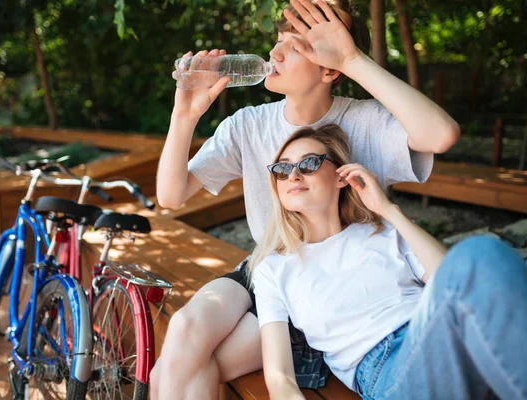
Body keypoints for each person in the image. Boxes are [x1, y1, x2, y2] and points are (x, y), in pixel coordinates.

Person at [153, 0, 460, 398]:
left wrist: (353, 58)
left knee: (178, 370)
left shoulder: (363, 120)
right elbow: (170, 195)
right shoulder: (250, 124)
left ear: (331, 69)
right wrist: (184, 116)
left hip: (327, 284)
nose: (275, 53)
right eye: (278, 41)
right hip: (269, 263)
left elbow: (441, 135)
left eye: (295, 46)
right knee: (184, 329)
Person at [251, 124, 527, 399]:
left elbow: (452, 281)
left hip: (444, 329)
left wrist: (388, 210)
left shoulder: (383, 230)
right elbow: (280, 378)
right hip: (390, 369)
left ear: (342, 176)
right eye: (282, 169)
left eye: (309, 163)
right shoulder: (274, 269)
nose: (293, 175)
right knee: (480, 253)